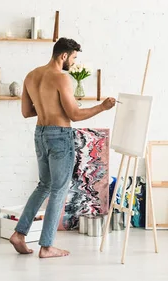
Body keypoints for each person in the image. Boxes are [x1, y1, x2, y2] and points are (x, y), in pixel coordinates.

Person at [9, 38, 116, 258]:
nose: (74, 63)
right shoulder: (61, 78)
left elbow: (27, 112)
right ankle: (47, 246)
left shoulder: (31, 75)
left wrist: (49, 106)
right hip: (59, 135)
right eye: (74, 58)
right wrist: (102, 107)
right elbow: (75, 115)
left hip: (40, 134)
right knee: (58, 189)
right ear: (64, 55)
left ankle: (19, 234)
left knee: (44, 185)